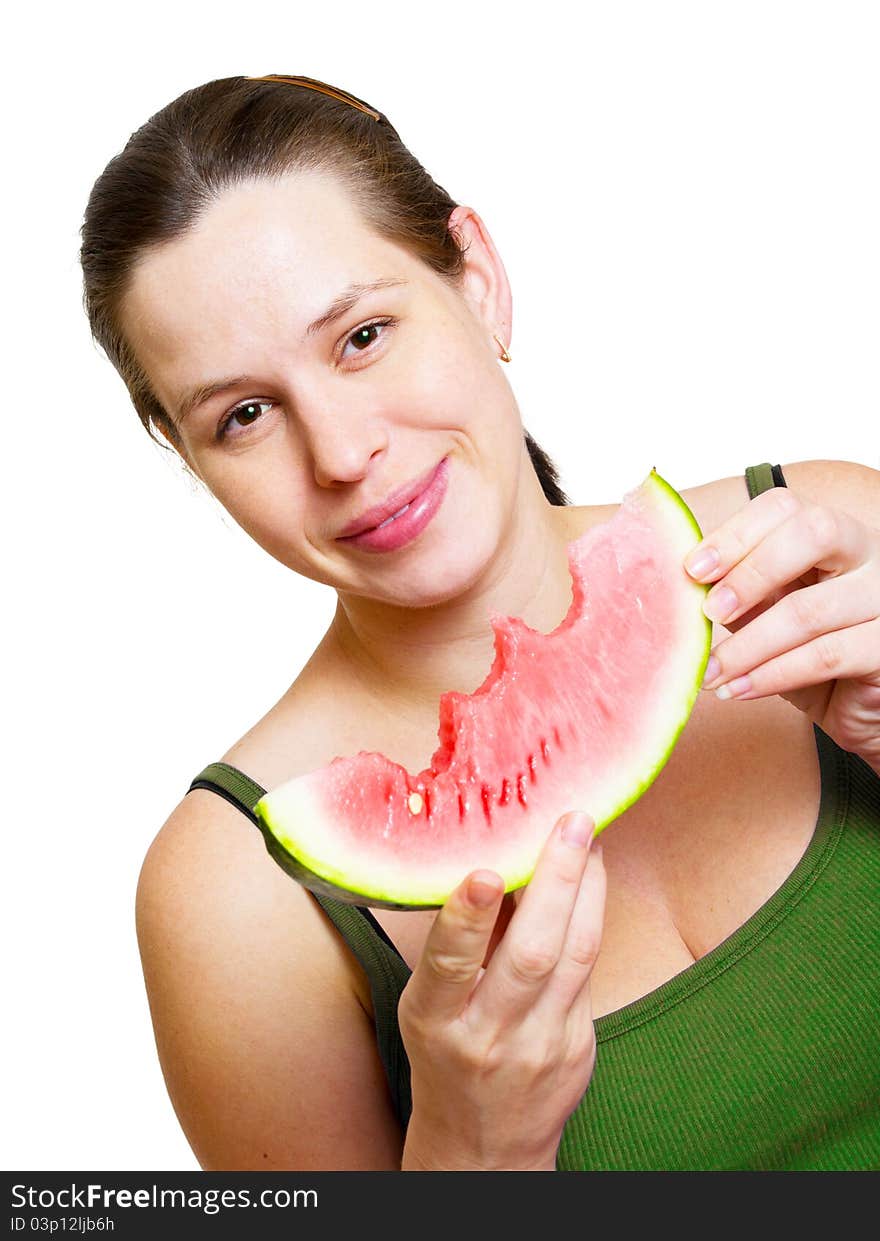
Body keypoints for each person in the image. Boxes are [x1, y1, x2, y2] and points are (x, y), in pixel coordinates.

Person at [80, 73, 880, 1172]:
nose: (342, 450)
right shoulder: (236, 898)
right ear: (192, 458)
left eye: (361, 335)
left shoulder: (821, 540)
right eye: (244, 414)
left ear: (480, 280)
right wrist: (469, 1155)